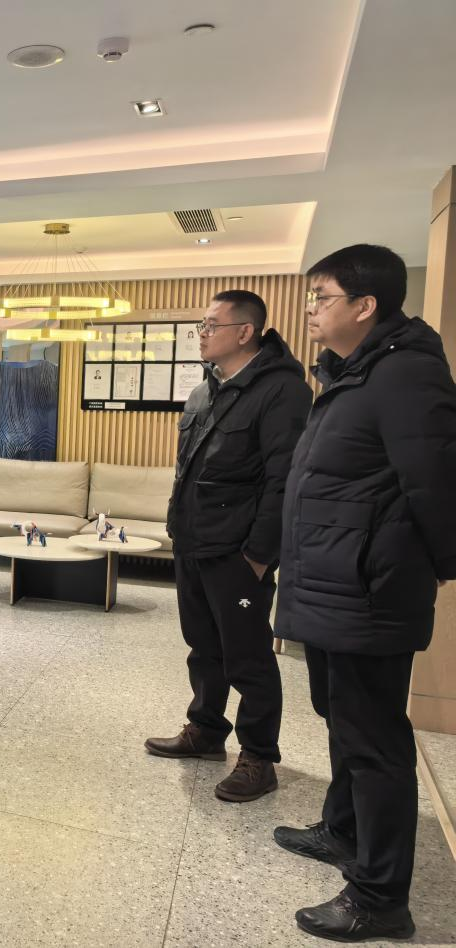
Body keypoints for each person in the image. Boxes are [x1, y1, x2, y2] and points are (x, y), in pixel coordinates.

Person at [273, 245, 456, 942]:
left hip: (368, 590)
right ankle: (343, 830)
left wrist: (435, 566)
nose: (311, 310)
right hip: (333, 583)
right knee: (341, 718)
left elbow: (436, 483)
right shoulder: (353, 373)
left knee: (375, 742)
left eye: (321, 297)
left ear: (365, 305)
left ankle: (380, 897)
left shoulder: (406, 373)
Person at [146, 290, 311, 802]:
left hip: (239, 551)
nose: (202, 333)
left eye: (211, 325)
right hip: (193, 541)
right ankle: (206, 730)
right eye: (201, 325)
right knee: (203, 645)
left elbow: (284, 479)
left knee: (248, 657)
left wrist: (259, 554)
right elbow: (188, 468)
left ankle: (259, 757)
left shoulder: (282, 390)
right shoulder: (205, 390)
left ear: (245, 331)